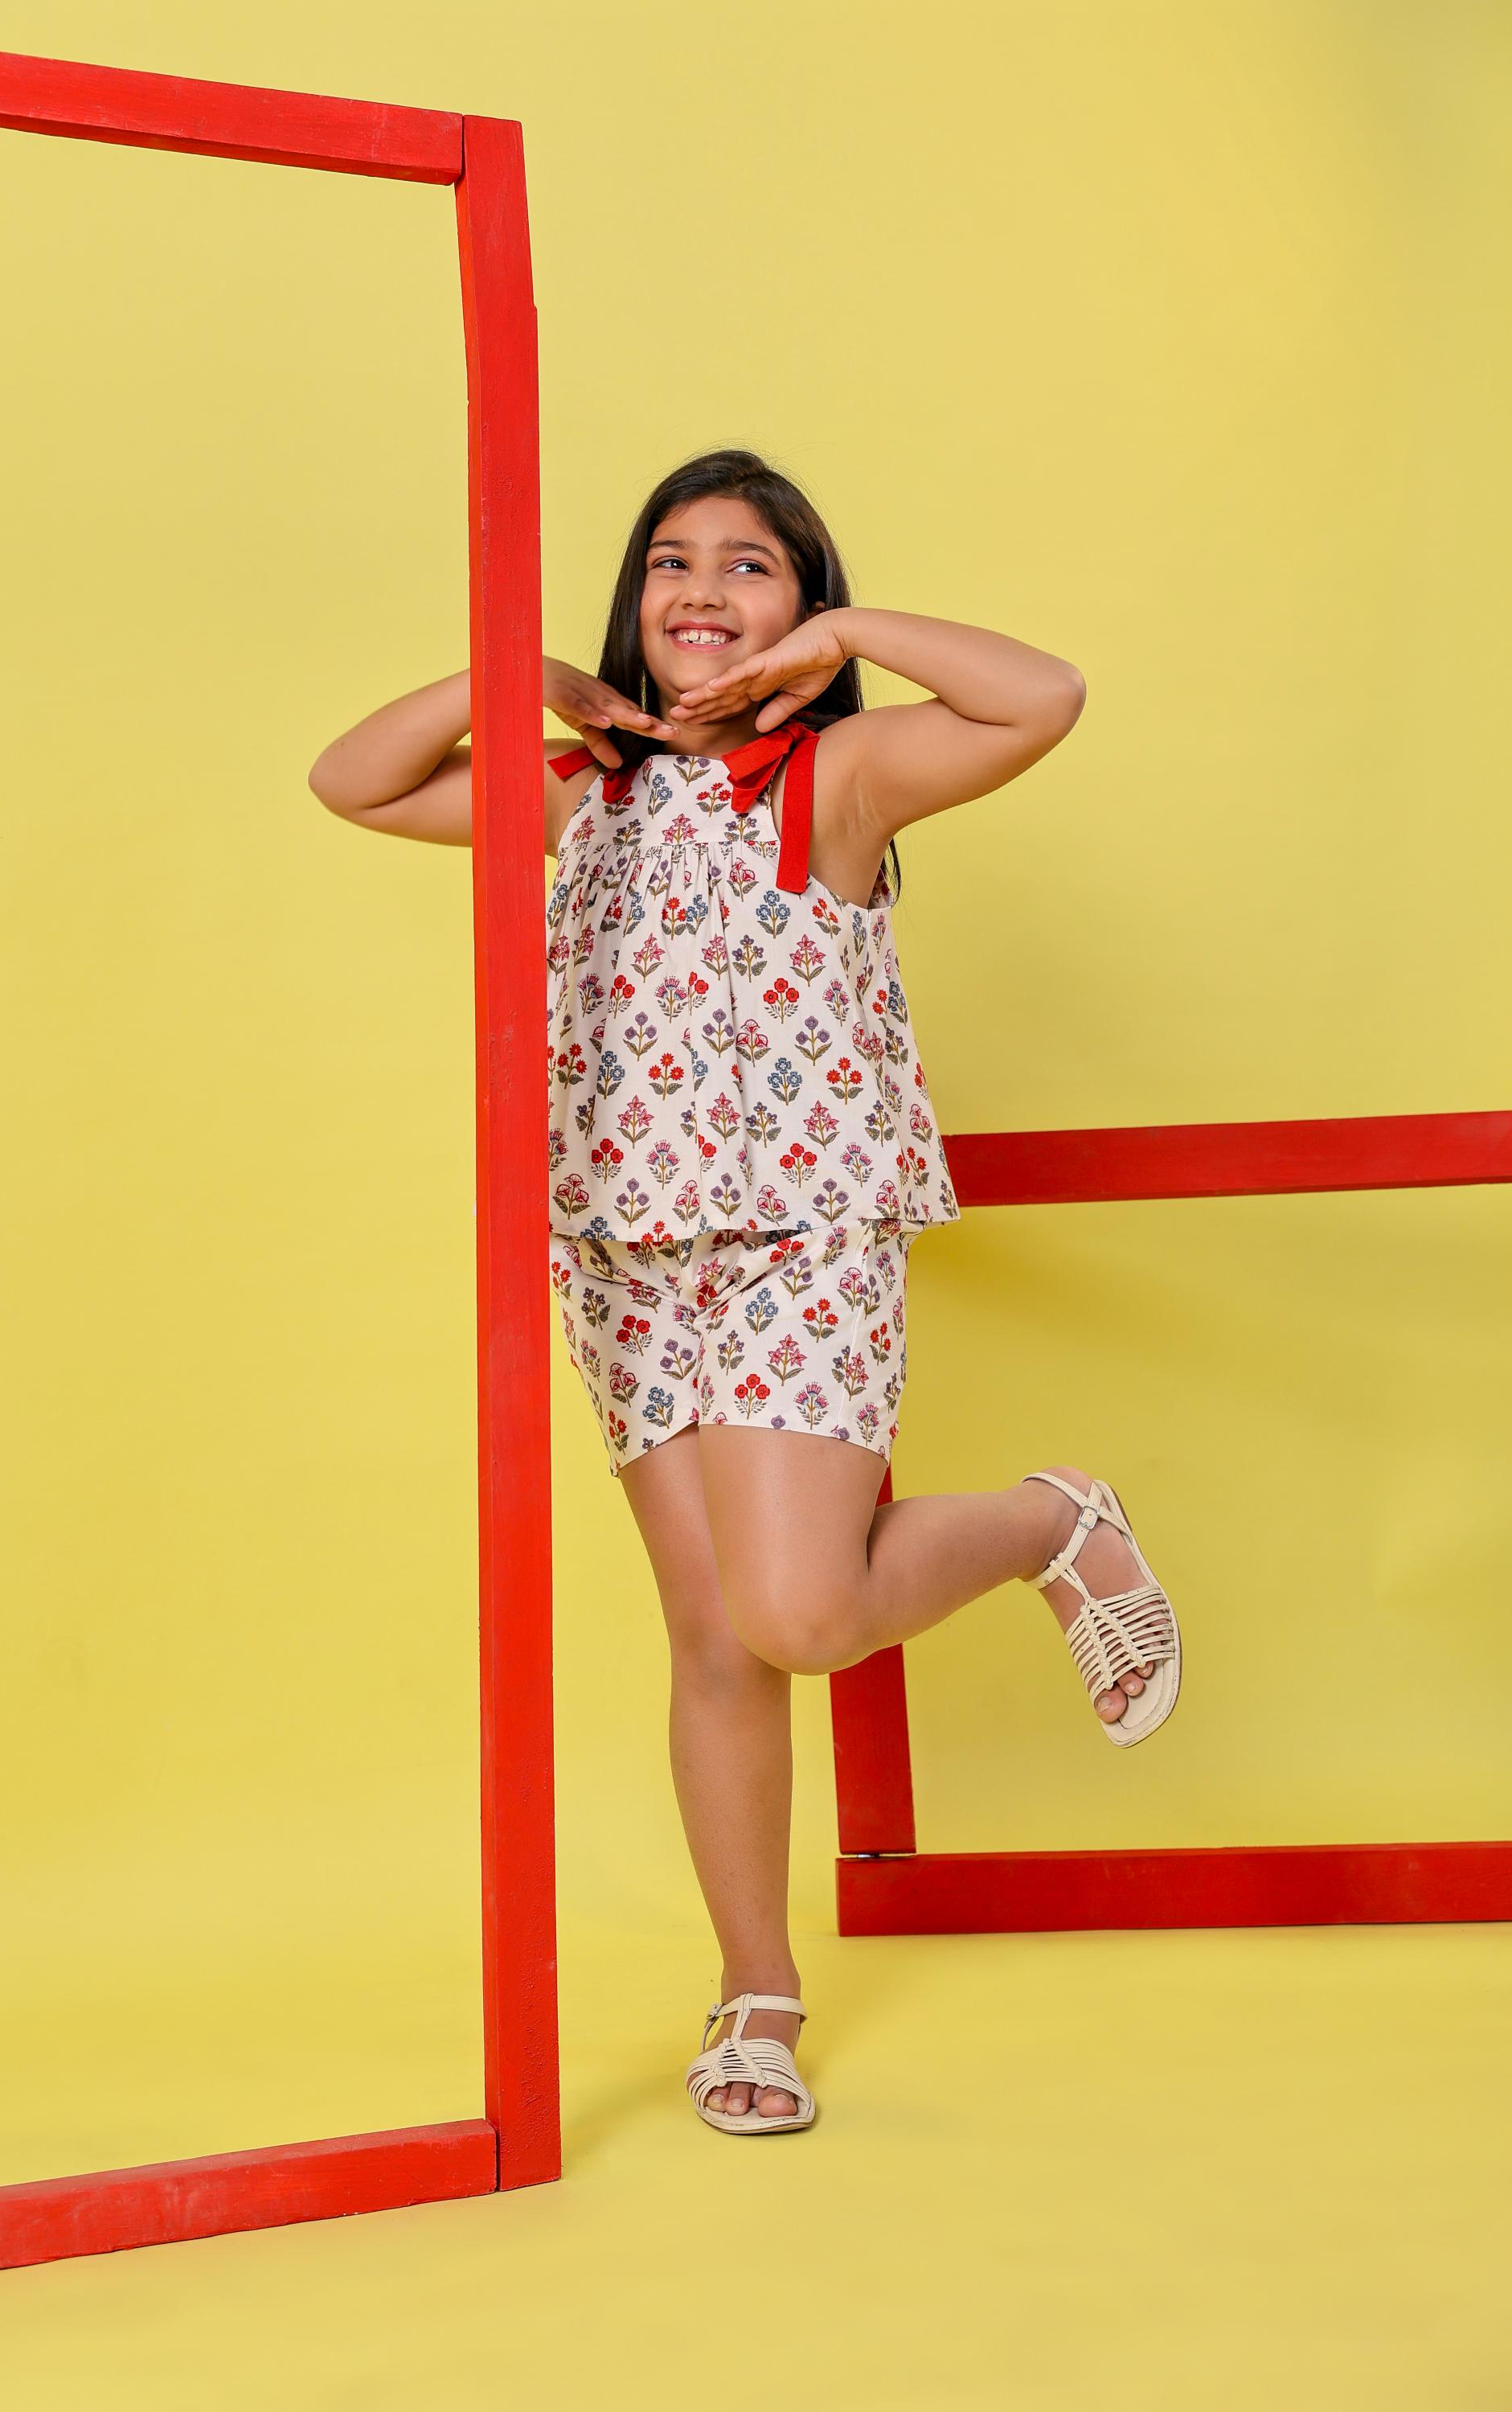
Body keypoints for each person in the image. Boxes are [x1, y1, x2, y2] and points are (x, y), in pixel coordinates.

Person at [307, 447, 1182, 2139]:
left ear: (799, 611)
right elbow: (350, 780)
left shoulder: (840, 774)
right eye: (669, 564)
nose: (702, 589)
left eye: (753, 567)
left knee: (797, 1613)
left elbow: (1039, 695)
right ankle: (755, 1993)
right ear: (633, 610)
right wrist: (517, 686)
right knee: (715, 1639)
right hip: (630, 1251)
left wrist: (849, 629)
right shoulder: (580, 792)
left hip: (802, 1236)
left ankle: (1051, 1523)